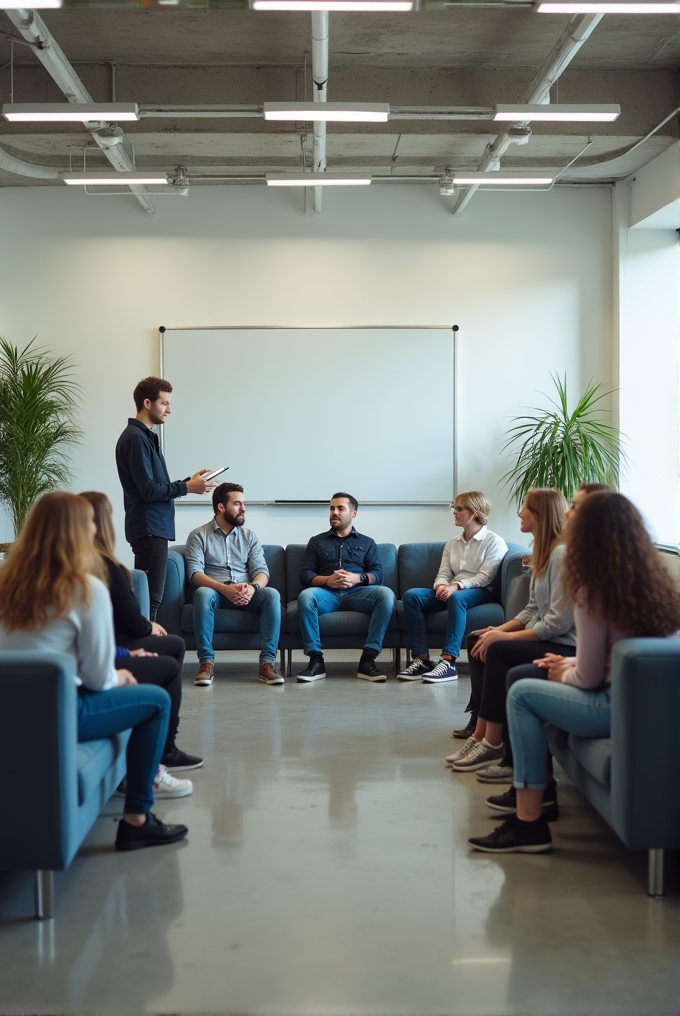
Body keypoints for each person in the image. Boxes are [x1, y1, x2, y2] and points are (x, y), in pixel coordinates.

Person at [468, 491, 680, 853]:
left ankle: (529, 824)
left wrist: (563, 673)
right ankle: (541, 792)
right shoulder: (646, 578)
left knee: (522, 693)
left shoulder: (591, 584)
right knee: (526, 674)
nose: (566, 513)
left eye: (576, 508)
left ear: (593, 527)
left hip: (614, 706)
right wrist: (567, 664)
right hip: (642, 702)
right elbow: (613, 660)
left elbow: (589, 679)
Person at [0, 492, 188, 851]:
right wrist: (122, 676)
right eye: (88, 521)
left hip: (8, 709)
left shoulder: (7, 583)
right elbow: (100, 678)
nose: (94, 527)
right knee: (156, 701)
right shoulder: (85, 589)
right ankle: (137, 818)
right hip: (60, 711)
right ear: (74, 531)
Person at [447, 488, 576, 777]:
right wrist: (498, 629)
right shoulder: (542, 553)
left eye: (525, 508)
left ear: (541, 515)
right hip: (548, 637)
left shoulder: (561, 556)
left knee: (498, 648)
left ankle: (493, 742)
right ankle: (479, 734)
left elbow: (556, 624)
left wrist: (505, 637)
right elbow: (531, 610)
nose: (519, 513)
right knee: (479, 638)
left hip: (565, 646)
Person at [80, 490, 202, 778]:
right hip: (109, 652)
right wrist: (146, 629)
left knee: (171, 643)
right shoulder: (102, 567)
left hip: (107, 650)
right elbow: (131, 622)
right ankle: (165, 751)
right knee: (172, 651)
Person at [115, 376, 216, 621]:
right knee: (150, 597)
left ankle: (147, 650)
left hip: (153, 527)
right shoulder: (136, 439)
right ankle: (146, 653)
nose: (169, 410)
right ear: (147, 403)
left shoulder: (145, 436)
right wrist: (187, 488)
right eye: (165, 403)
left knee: (150, 596)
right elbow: (149, 491)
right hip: (149, 528)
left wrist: (186, 483)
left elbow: (154, 486)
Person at [398, 491, 507, 683]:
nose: (454, 512)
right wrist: (441, 586)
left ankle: (449, 662)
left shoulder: (494, 542)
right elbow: (444, 573)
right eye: (454, 508)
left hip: (480, 591)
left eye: (459, 508)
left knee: (457, 598)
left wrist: (456, 587)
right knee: (411, 596)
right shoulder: (452, 543)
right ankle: (421, 659)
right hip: (453, 589)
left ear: (473, 513)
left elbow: (485, 577)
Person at [186, 482, 283, 686]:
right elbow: (195, 574)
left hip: (246, 592)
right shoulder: (199, 535)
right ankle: (206, 664)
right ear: (221, 507)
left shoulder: (249, 537)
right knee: (202, 593)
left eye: (243, 503)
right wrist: (224, 589)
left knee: (272, 594)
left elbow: (262, 572)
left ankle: (267, 664)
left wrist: (252, 587)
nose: (243, 508)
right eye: (237, 504)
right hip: (216, 592)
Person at [297, 493, 396, 683]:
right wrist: (327, 580)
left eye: (340, 508)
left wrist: (357, 578)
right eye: (332, 508)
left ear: (353, 514)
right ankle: (316, 660)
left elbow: (378, 574)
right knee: (305, 597)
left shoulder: (367, 542)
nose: (334, 512)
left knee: (386, 594)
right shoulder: (316, 541)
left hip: (359, 594)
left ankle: (368, 659)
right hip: (327, 595)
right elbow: (305, 575)